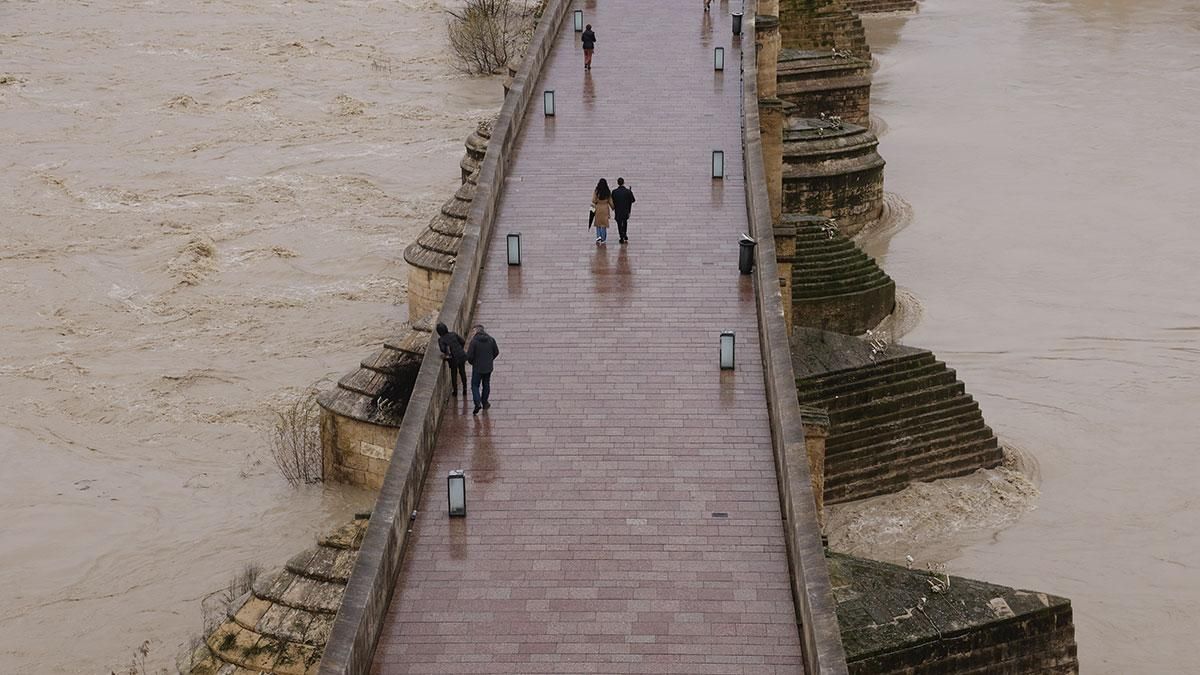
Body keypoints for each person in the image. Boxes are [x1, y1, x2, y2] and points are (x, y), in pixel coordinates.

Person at [465, 324, 499, 415]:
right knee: (486, 384)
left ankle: (477, 402)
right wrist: (490, 360)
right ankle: (485, 402)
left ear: (476, 331)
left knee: (475, 385)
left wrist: (473, 363)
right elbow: (496, 352)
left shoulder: (474, 342)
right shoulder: (491, 340)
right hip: (488, 367)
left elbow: (469, 356)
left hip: (477, 367)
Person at [436, 322, 468, 397]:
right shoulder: (453, 334)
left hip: (453, 359)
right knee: (462, 371)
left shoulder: (441, 339)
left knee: (454, 374)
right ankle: (465, 388)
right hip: (461, 355)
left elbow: (443, 349)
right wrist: (459, 349)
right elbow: (463, 341)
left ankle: (455, 391)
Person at [611, 177, 636, 244]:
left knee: (619, 223)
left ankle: (621, 236)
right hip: (626, 210)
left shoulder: (614, 192)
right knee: (625, 222)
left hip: (618, 210)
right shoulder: (628, 191)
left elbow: (612, 201)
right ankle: (625, 234)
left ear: (617, 183)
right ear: (623, 182)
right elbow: (633, 200)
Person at [591, 178, 614, 245]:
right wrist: (613, 208)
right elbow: (611, 202)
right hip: (605, 208)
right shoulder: (608, 191)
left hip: (598, 208)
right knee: (604, 224)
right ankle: (603, 239)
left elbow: (593, 200)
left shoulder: (597, 191)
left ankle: (598, 237)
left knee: (598, 224)